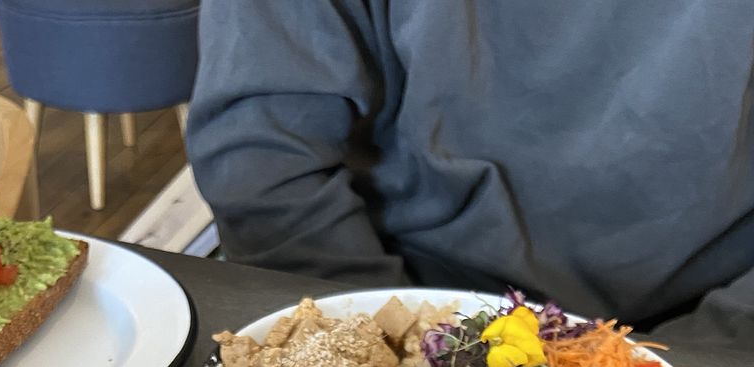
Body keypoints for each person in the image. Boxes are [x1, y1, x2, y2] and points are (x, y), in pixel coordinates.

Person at [187, 0, 754, 340]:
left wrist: (702, 366)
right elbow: (261, 155)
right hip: (392, 294)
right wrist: (393, 340)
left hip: (705, 328)